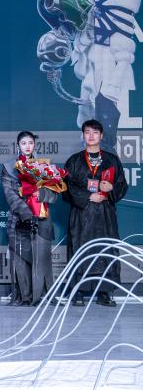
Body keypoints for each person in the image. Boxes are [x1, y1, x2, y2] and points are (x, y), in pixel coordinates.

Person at [63, 119, 128, 306]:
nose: (91, 136)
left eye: (95, 132)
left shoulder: (111, 160)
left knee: (105, 249)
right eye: (87, 132)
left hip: (105, 214)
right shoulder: (74, 161)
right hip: (82, 214)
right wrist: (87, 196)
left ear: (101, 135)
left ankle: (104, 291)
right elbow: (66, 187)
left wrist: (111, 189)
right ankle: (77, 291)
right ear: (83, 135)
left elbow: (122, 184)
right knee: (80, 249)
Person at [1, 131, 59, 306]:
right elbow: (9, 194)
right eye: (24, 143)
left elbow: (54, 194)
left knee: (41, 257)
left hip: (41, 216)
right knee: (20, 257)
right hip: (19, 218)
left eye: (30, 143)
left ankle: (41, 295)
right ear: (18, 145)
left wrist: (39, 194)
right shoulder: (9, 166)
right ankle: (24, 296)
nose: (27, 146)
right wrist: (26, 211)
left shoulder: (45, 166)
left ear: (35, 145)